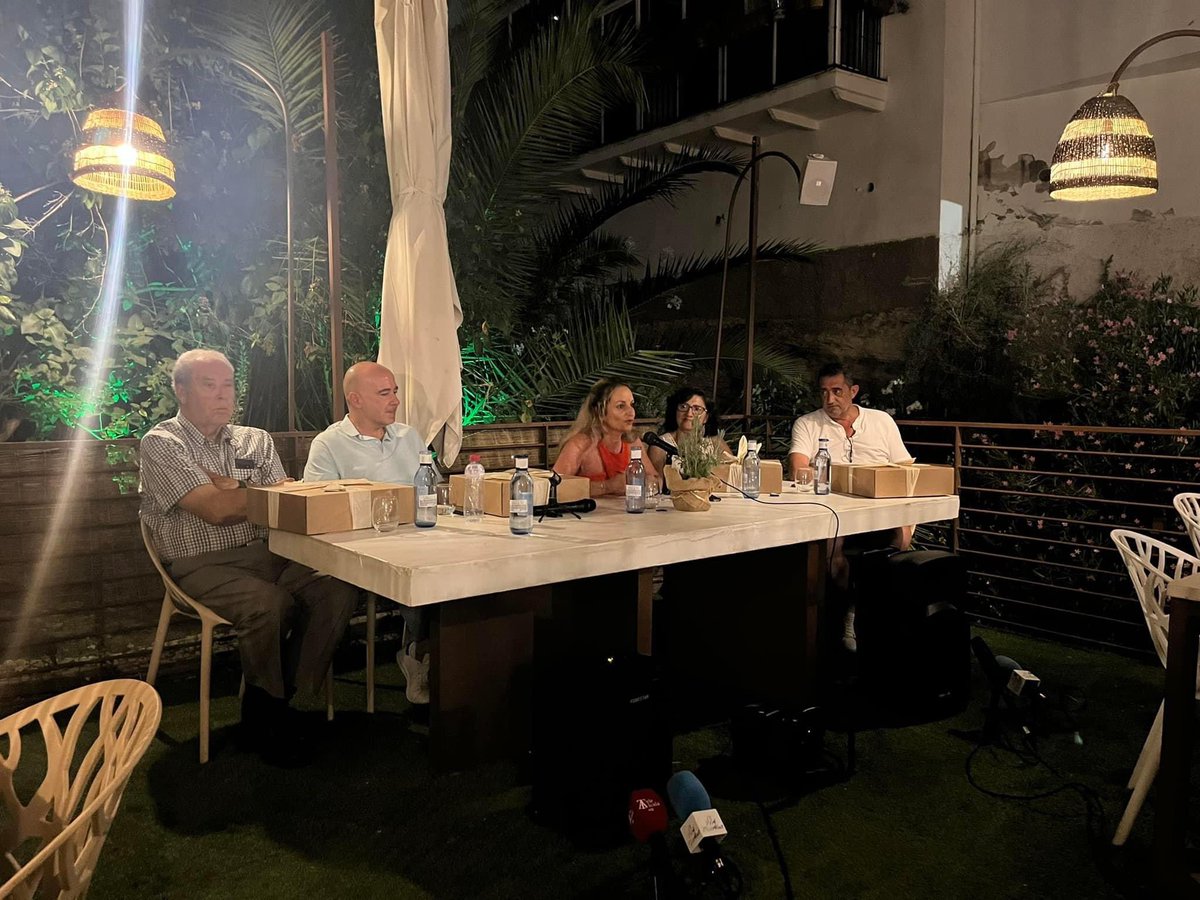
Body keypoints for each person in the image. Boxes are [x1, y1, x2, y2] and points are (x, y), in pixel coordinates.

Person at [139, 349, 357, 764]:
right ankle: (268, 717)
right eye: (210, 385)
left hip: (269, 555)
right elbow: (215, 510)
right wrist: (256, 494)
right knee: (268, 604)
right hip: (201, 564)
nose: (224, 395)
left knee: (339, 583)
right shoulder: (162, 443)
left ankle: (275, 702)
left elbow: (288, 503)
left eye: (228, 385)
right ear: (181, 391)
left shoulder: (254, 439)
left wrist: (231, 487)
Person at [303, 360, 431, 704]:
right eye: (385, 393)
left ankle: (431, 655)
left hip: (419, 539)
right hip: (362, 550)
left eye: (395, 391)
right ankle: (420, 656)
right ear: (355, 400)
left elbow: (431, 490)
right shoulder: (328, 444)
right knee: (421, 575)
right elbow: (317, 511)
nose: (395, 401)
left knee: (453, 568)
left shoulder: (410, 436)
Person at [788, 361, 915, 650]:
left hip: (880, 508)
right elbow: (798, 468)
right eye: (824, 393)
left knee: (901, 537)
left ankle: (877, 618)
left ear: (853, 391)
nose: (829, 400)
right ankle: (845, 617)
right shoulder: (808, 424)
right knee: (834, 547)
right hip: (834, 510)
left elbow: (905, 468)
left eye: (837, 391)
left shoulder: (881, 421)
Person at [553, 378, 659, 497]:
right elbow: (554, 487)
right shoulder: (580, 444)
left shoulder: (633, 442)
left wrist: (645, 482)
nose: (631, 412)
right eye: (620, 406)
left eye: (631, 404)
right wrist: (607, 486)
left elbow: (656, 480)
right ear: (600, 411)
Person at [646, 386, 733, 476]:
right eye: (683, 407)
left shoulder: (716, 443)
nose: (689, 414)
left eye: (697, 409)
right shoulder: (659, 446)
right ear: (675, 412)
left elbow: (732, 476)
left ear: (706, 418)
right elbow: (655, 484)